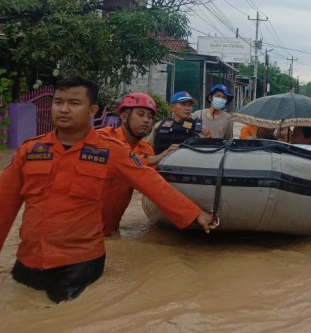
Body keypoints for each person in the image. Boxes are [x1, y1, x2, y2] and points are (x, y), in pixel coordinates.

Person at [0, 77, 216, 303]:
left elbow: (151, 183)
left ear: (92, 110)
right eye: (58, 102)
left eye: (74, 103)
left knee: (61, 316)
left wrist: (195, 214)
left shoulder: (111, 151)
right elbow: (4, 206)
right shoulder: (30, 150)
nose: (63, 109)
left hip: (79, 263)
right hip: (28, 260)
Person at [97, 92, 180, 236]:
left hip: (111, 231)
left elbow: (152, 184)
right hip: (83, 231)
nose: (146, 120)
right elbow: (125, 160)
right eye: (140, 114)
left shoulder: (146, 149)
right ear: (123, 117)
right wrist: (161, 155)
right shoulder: (103, 137)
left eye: (149, 117)